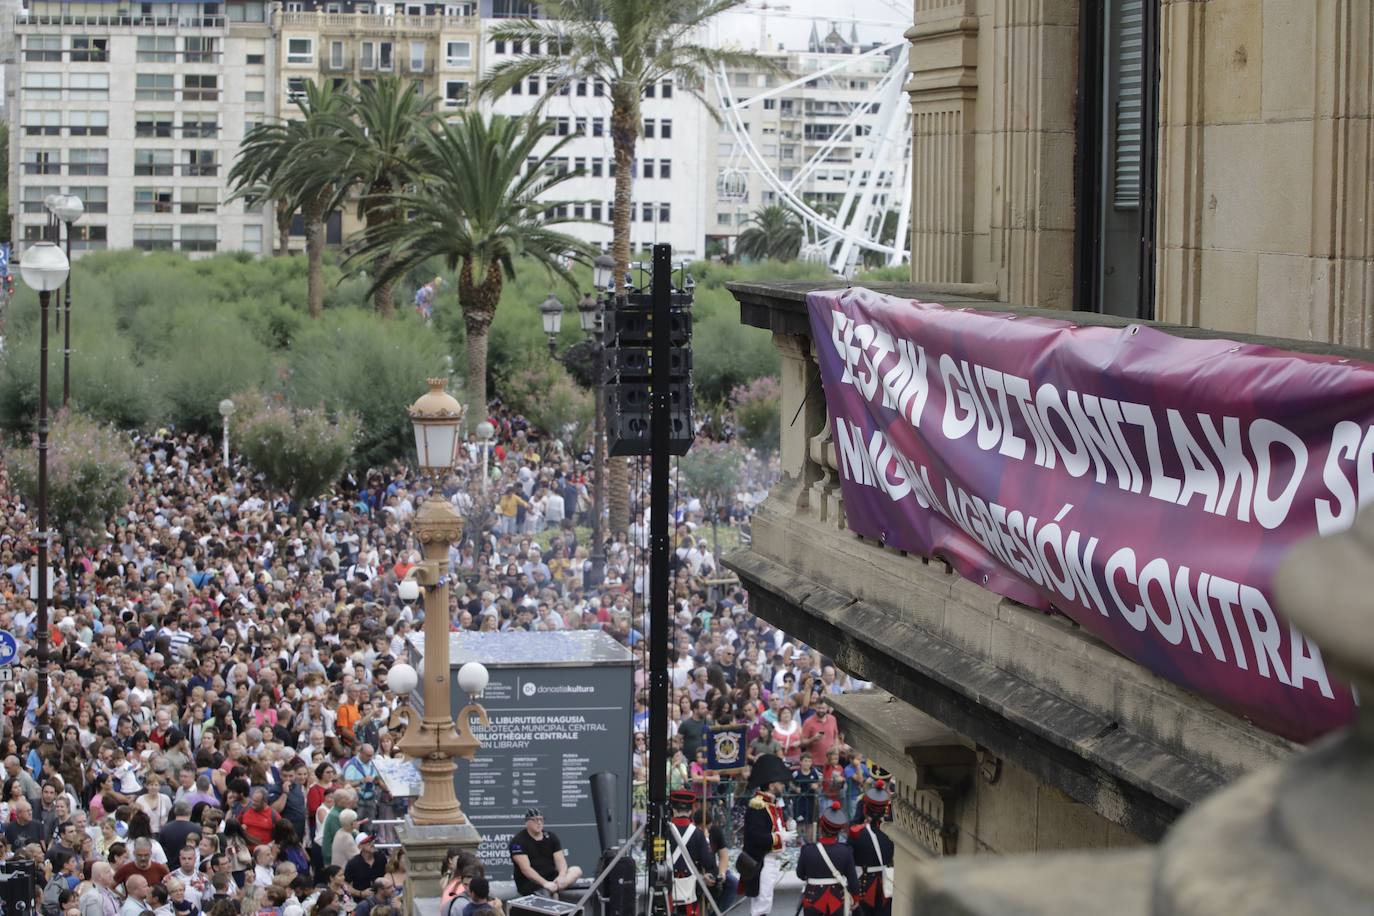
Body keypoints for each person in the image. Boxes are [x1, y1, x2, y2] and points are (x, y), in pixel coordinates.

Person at [741, 755, 794, 916]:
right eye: (780, 783)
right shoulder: (758, 805)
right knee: (761, 905)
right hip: (762, 861)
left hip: (770, 861)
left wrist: (786, 828)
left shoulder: (770, 804)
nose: (783, 786)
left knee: (766, 902)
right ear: (771, 785)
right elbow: (756, 836)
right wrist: (780, 837)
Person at [796, 801, 859, 916]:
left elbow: (800, 874)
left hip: (812, 900)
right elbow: (853, 880)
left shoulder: (807, 850)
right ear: (839, 830)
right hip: (836, 901)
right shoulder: (845, 851)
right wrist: (855, 897)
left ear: (821, 827)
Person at [508, 809, 583, 899]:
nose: (539, 822)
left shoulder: (551, 836)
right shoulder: (518, 842)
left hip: (552, 878)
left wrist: (561, 876)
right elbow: (526, 869)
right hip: (530, 882)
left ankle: (555, 889)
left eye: (541, 819)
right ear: (527, 822)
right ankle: (552, 891)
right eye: (535, 820)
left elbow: (560, 861)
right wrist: (545, 883)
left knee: (576, 870)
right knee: (544, 892)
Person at [849, 780, 894, 916]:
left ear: (865, 808)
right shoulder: (891, 833)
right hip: (886, 884)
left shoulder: (856, 833)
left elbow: (849, 864)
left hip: (865, 884)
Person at [666, 790, 714, 916]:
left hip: (666, 891)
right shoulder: (698, 834)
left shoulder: (663, 830)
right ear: (691, 810)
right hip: (690, 892)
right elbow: (709, 864)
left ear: (673, 809)